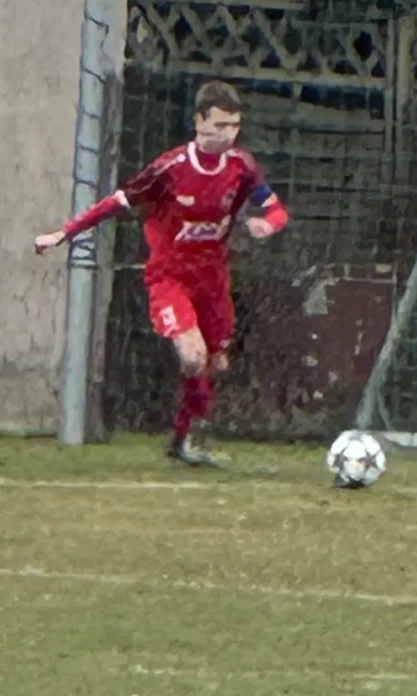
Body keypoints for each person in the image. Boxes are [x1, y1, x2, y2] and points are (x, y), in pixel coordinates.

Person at [35, 79, 288, 465]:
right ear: (199, 121)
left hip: (213, 281)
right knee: (192, 355)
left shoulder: (242, 167)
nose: (227, 134)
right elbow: (117, 202)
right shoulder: (170, 168)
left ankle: (184, 436)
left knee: (216, 363)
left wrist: (267, 225)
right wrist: (65, 233)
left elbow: (276, 209)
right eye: (220, 125)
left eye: (234, 126)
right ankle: (188, 437)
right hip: (170, 278)